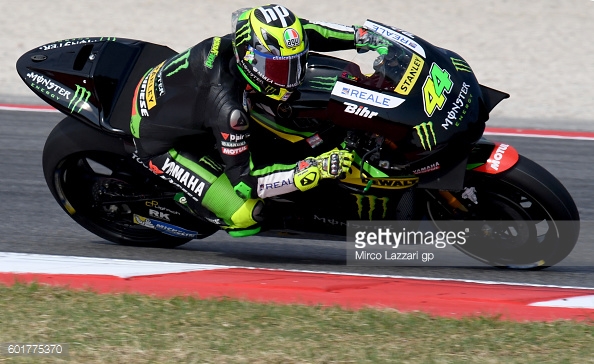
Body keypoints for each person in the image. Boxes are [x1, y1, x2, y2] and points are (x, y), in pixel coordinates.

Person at [130, 4, 389, 237]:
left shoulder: (249, 40)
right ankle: (192, 202)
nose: (292, 79)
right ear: (250, 58)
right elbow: (246, 182)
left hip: (179, 98)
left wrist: (361, 36)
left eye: (295, 65)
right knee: (249, 214)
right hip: (160, 143)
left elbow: (307, 31)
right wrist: (313, 169)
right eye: (279, 69)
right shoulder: (228, 110)